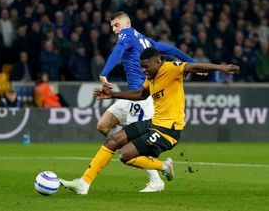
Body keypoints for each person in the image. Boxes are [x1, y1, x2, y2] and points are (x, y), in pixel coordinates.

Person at [59, 47, 239, 195]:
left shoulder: (171, 68)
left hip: (168, 131)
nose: (143, 70)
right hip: (153, 123)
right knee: (112, 141)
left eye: (146, 67)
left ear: (157, 62)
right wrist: (112, 94)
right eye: (141, 67)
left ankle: (164, 166)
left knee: (125, 156)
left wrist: (222, 68)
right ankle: (84, 183)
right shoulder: (150, 79)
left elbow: (194, 66)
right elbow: (141, 94)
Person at [96, 11, 196, 192]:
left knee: (133, 145)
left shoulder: (127, 34)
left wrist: (104, 73)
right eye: (112, 27)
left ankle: (156, 179)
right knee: (103, 126)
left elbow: (118, 50)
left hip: (140, 98)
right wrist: (192, 63)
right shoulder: (145, 40)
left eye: (116, 25)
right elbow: (172, 50)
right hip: (131, 96)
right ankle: (138, 153)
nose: (114, 29)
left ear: (127, 23)